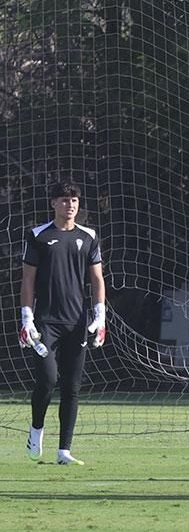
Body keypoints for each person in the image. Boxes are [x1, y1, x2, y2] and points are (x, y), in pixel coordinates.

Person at [19, 181, 106, 466]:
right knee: (47, 379)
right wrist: (27, 318)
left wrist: (100, 315)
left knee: (72, 385)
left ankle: (64, 451)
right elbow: (28, 279)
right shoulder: (38, 236)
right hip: (46, 321)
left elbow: (96, 279)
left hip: (76, 322)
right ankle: (36, 429)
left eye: (74, 201)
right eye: (65, 200)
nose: (70, 205)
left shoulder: (89, 236)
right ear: (54, 203)